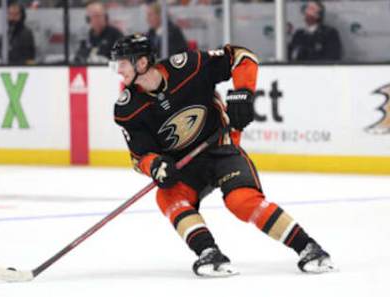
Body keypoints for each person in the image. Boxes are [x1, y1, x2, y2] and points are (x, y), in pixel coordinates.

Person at [111, 33, 335, 277]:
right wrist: (156, 165)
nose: (118, 70)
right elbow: (139, 156)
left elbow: (241, 56)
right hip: (184, 166)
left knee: (241, 201)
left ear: (141, 63)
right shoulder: (127, 108)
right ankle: (209, 253)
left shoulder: (187, 66)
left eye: (122, 63)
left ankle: (308, 247)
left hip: (220, 147)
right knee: (167, 197)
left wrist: (244, 93)